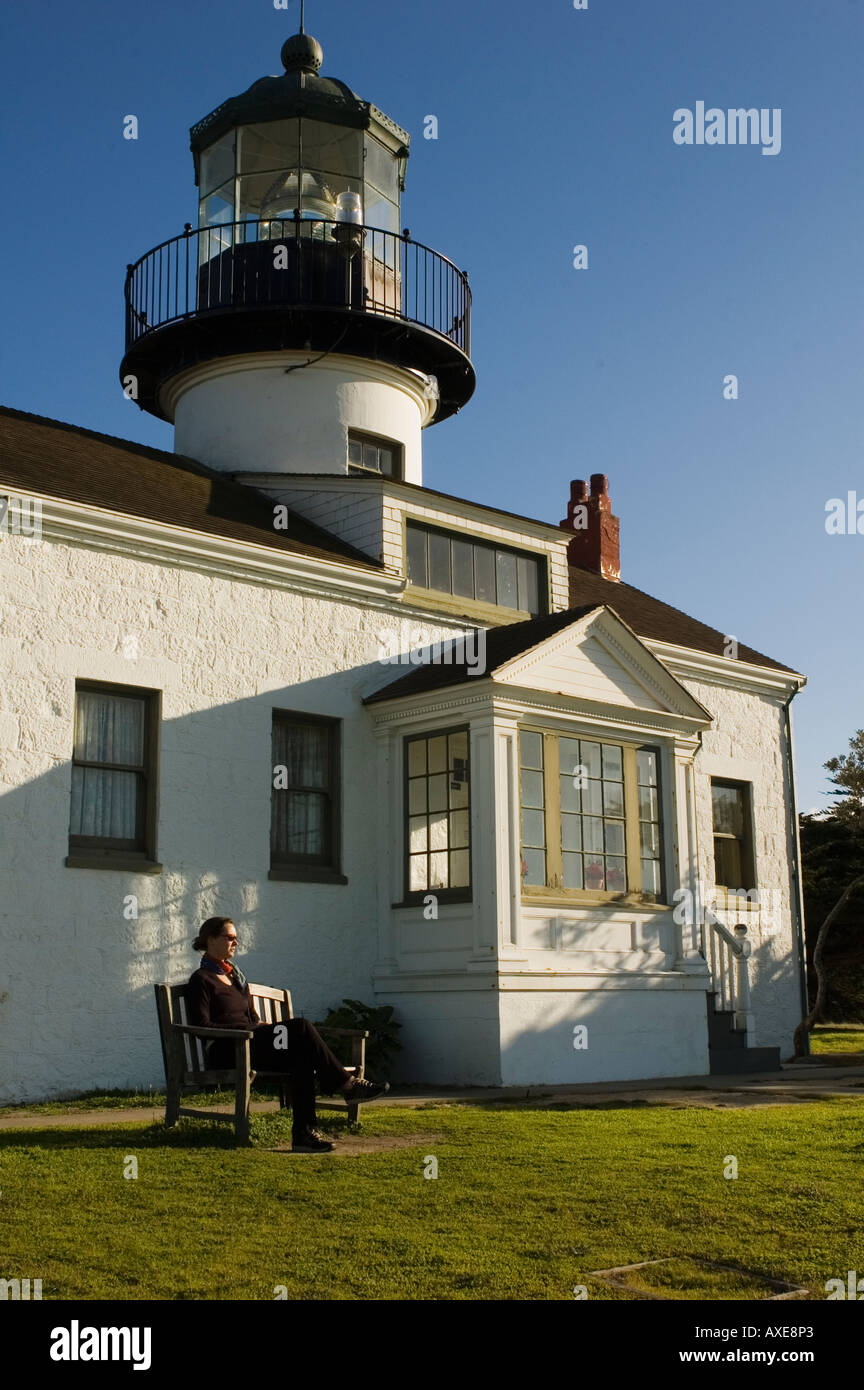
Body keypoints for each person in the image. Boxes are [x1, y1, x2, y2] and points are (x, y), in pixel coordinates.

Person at [186, 916, 387, 1152]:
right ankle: (348, 1085)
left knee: (300, 1056)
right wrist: (247, 1030)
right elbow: (202, 1026)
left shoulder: (236, 978)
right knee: (300, 1026)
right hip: (228, 1050)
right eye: (229, 938)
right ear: (210, 939)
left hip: (252, 1044)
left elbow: (252, 1018)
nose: (235, 943)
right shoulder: (201, 980)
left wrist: (260, 1027)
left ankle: (304, 1135)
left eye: (236, 938)